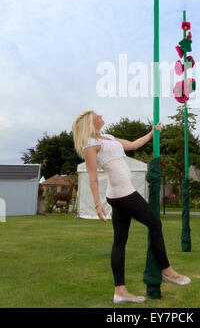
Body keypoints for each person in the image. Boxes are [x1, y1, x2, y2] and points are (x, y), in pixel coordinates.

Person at [72, 110, 191, 304]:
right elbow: (93, 177)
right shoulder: (90, 145)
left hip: (119, 194)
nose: (101, 115)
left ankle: (120, 291)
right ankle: (166, 270)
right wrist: (97, 204)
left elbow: (134, 144)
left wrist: (152, 133)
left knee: (120, 242)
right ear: (90, 122)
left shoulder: (108, 137)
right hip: (122, 193)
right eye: (97, 115)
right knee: (154, 223)